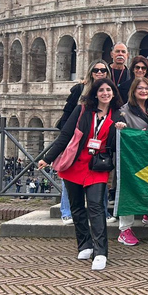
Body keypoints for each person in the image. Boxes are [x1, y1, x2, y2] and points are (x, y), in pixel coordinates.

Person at [38, 78, 123, 271]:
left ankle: (101, 252)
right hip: (74, 164)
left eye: (109, 90)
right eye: (101, 90)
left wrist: (120, 131)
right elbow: (65, 136)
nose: (105, 93)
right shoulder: (81, 111)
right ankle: (84, 244)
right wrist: (48, 158)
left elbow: (120, 144)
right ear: (95, 93)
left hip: (97, 166)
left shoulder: (118, 115)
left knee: (96, 207)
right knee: (76, 207)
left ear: (113, 93)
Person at [55, 59, 110, 224]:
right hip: (78, 139)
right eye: (96, 70)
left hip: (98, 139)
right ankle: (67, 211)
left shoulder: (108, 90)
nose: (99, 73)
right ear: (90, 72)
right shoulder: (80, 89)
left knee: (100, 173)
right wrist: (69, 136)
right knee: (69, 173)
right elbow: (67, 114)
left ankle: (104, 212)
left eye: (103, 70)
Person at [113, 76, 148, 247]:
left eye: (147, 88)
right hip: (130, 157)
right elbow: (122, 132)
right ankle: (124, 230)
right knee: (129, 190)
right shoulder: (124, 110)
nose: (143, 91)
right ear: (133, 90)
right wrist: (122, 128)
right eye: (140, 88)